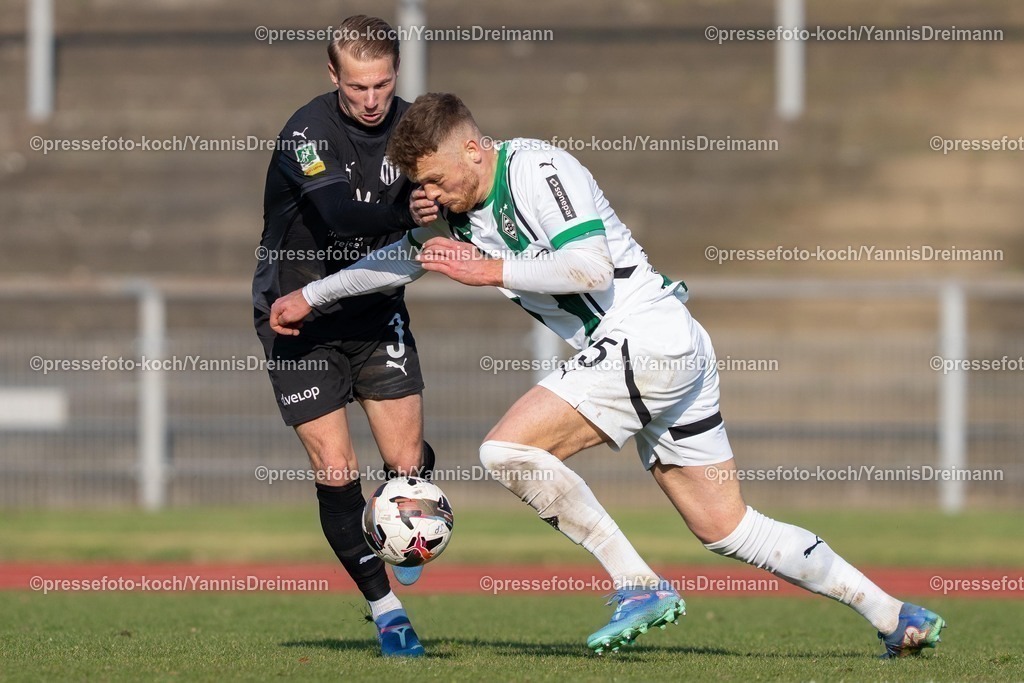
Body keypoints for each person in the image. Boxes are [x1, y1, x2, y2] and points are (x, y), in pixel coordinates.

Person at [269, 92, 946, 658]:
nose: (430, 193)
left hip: (646, 336)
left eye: (437, 178)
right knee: (727, 527)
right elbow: (401, 257)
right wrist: (314, 295)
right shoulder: (457, 213)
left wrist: (490, 270)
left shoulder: (539, 169)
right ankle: (895, 614)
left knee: (506, 449)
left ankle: (638, 582)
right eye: (421, 185)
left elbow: (589, 267)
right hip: (667, 350)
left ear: (474, 148)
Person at [252, 15, 434, 658]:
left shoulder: (418, 130)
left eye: (381, 84)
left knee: (409, 470)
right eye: (356, 86)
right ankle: (388, 613)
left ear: (396, 74)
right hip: (295, 316)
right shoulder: (308, 131)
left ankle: (402, 522)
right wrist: (410, 209)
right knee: (337, 469)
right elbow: (337, 215)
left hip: (375, 309)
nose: (370, 100)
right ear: (333, 76)